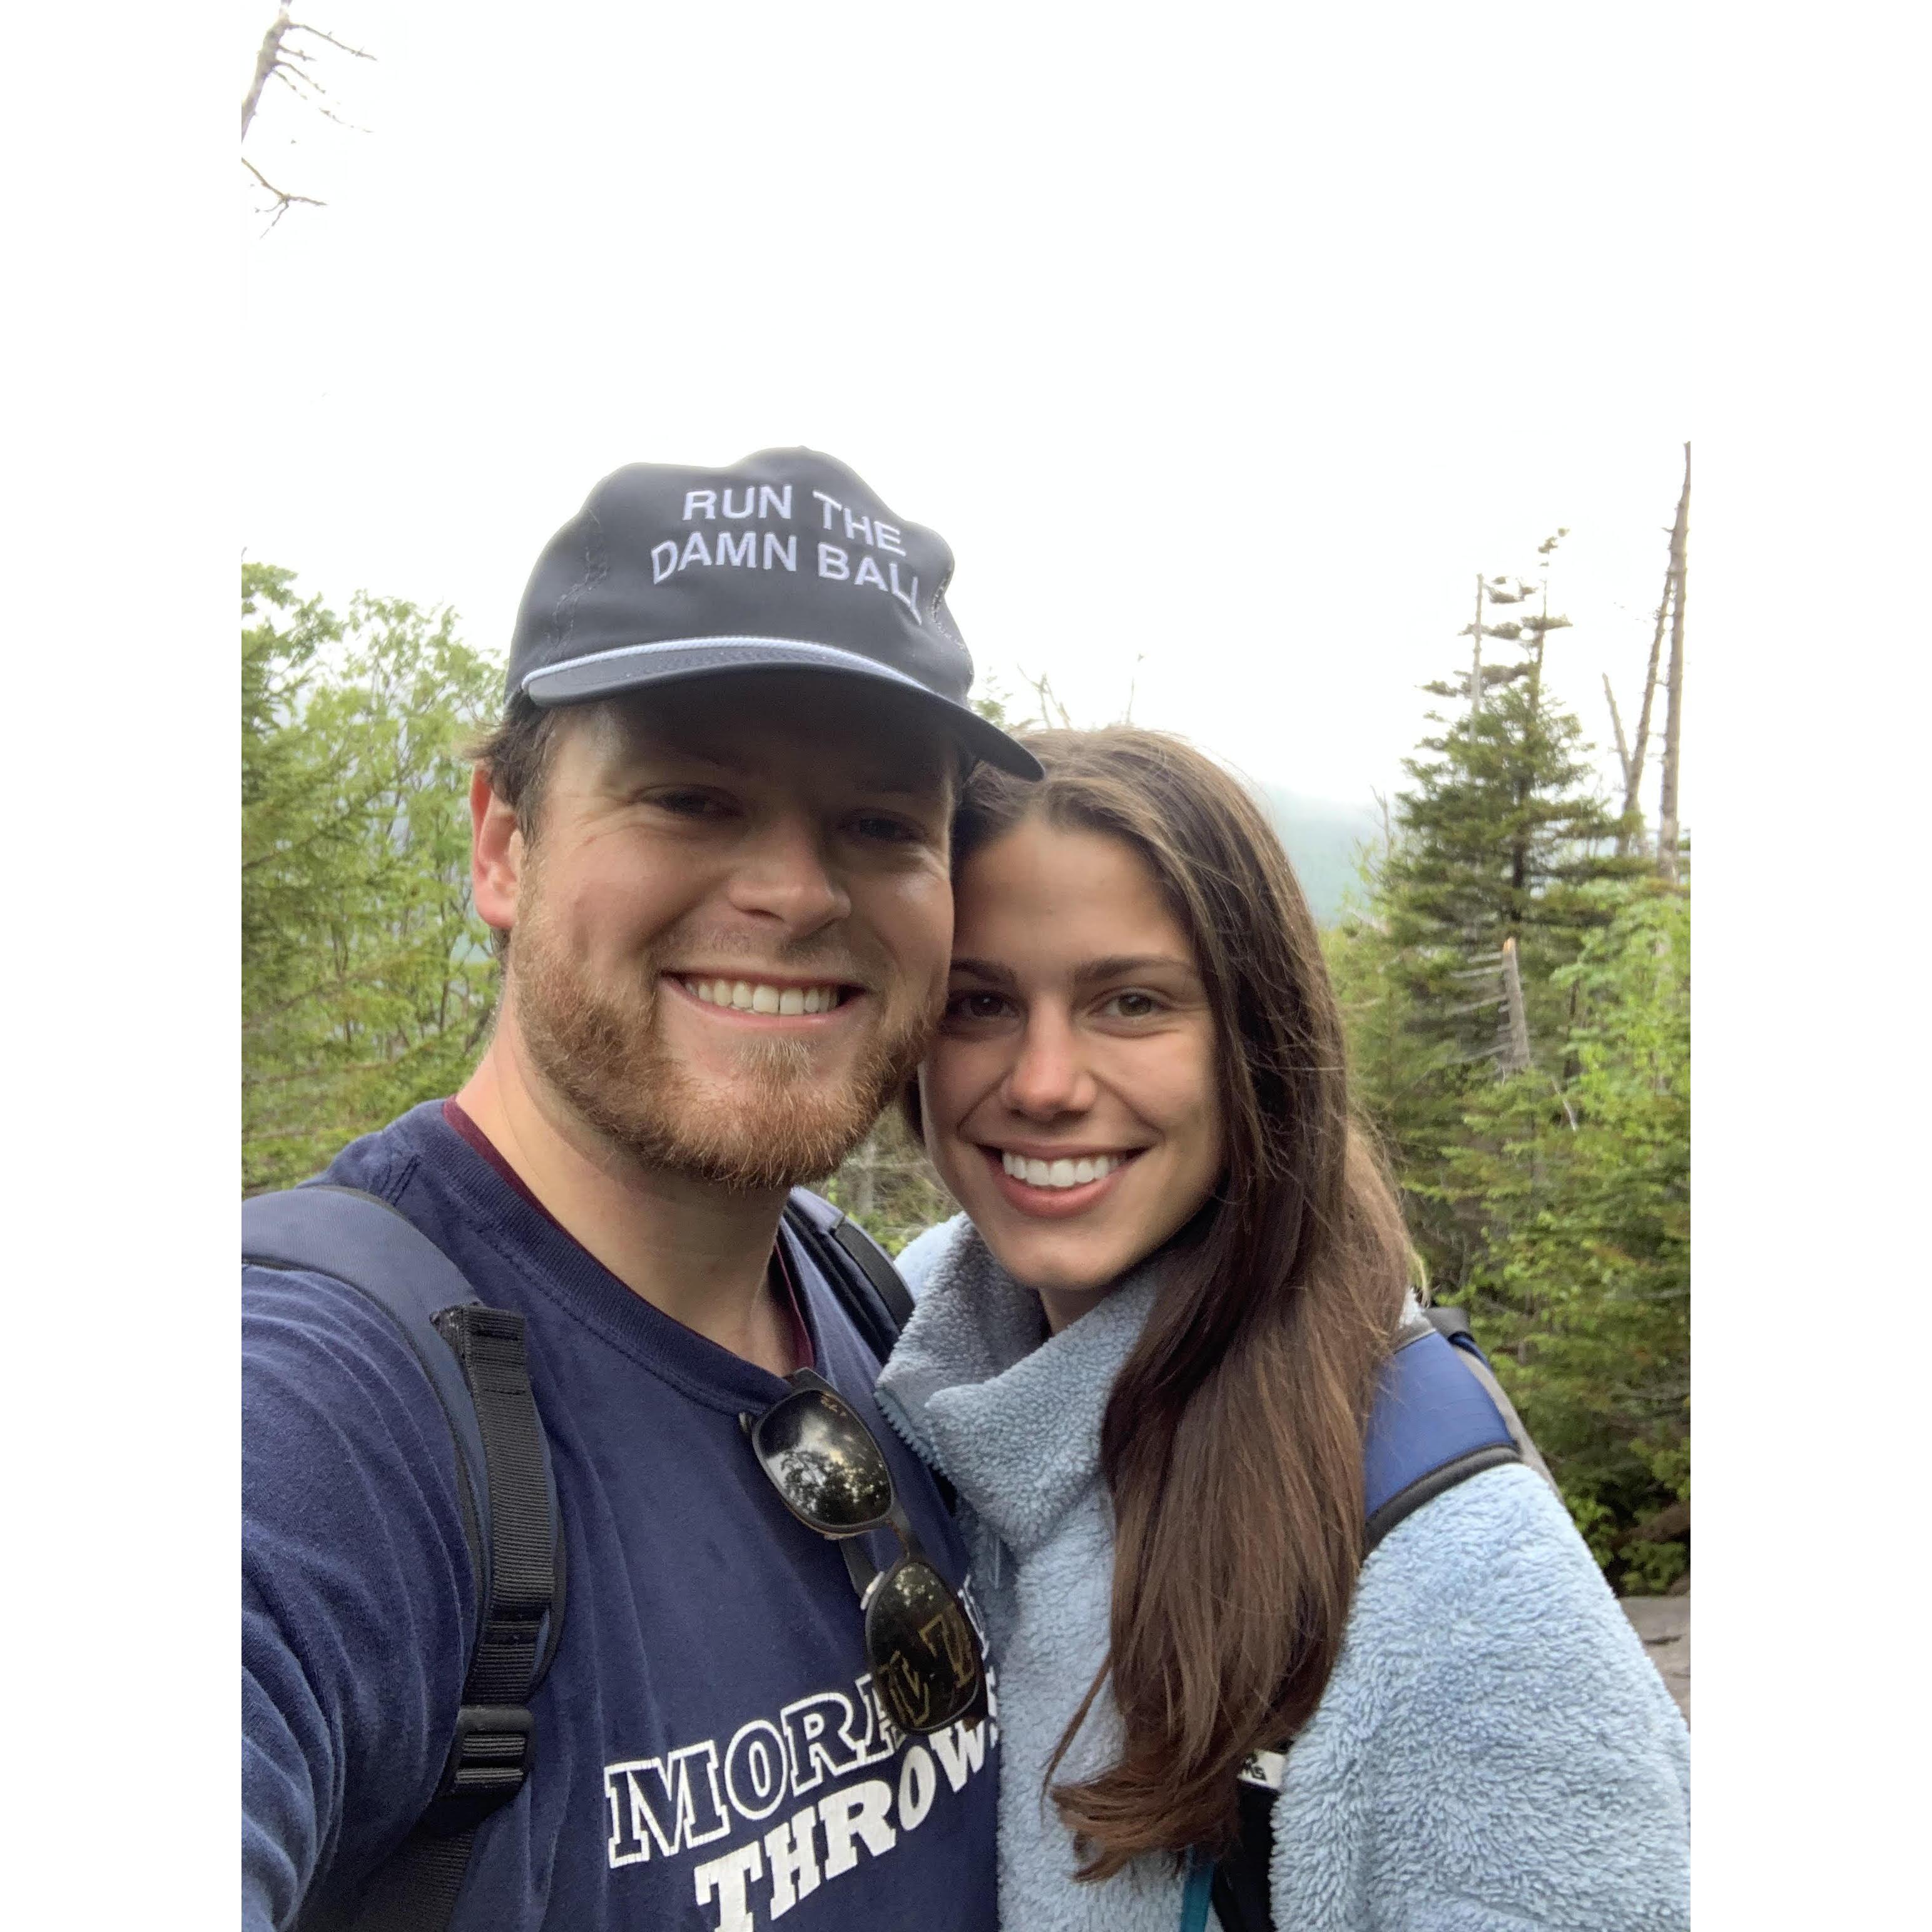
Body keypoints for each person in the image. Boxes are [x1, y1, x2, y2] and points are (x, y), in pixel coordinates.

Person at [242, 450, 1041, 1932]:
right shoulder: (320, 1416)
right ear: (501, 840)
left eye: (880, 825)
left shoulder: (869, 1308)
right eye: (688, 795)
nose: (799, 893)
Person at [877, 727, 1692, 1931]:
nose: (1044, 1081)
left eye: (1133, 1001)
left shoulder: (1450, 1579)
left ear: (1253, 1044)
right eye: (980, 1001)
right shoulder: (900, 1366)